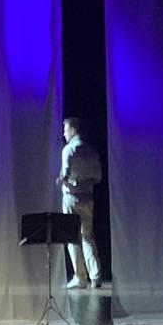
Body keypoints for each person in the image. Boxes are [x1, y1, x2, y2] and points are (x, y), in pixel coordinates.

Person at [56, 117, 102, 289]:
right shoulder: (91, 151)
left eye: (66, 130)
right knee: (87, 237)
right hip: (87, 197)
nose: (64, 133)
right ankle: (95, 275)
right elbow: (98, 177)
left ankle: (80, 276)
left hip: (71, 197)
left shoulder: (69, 150)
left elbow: (66, 174)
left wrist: (62, 180)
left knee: (72, 237)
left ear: (73, 130)